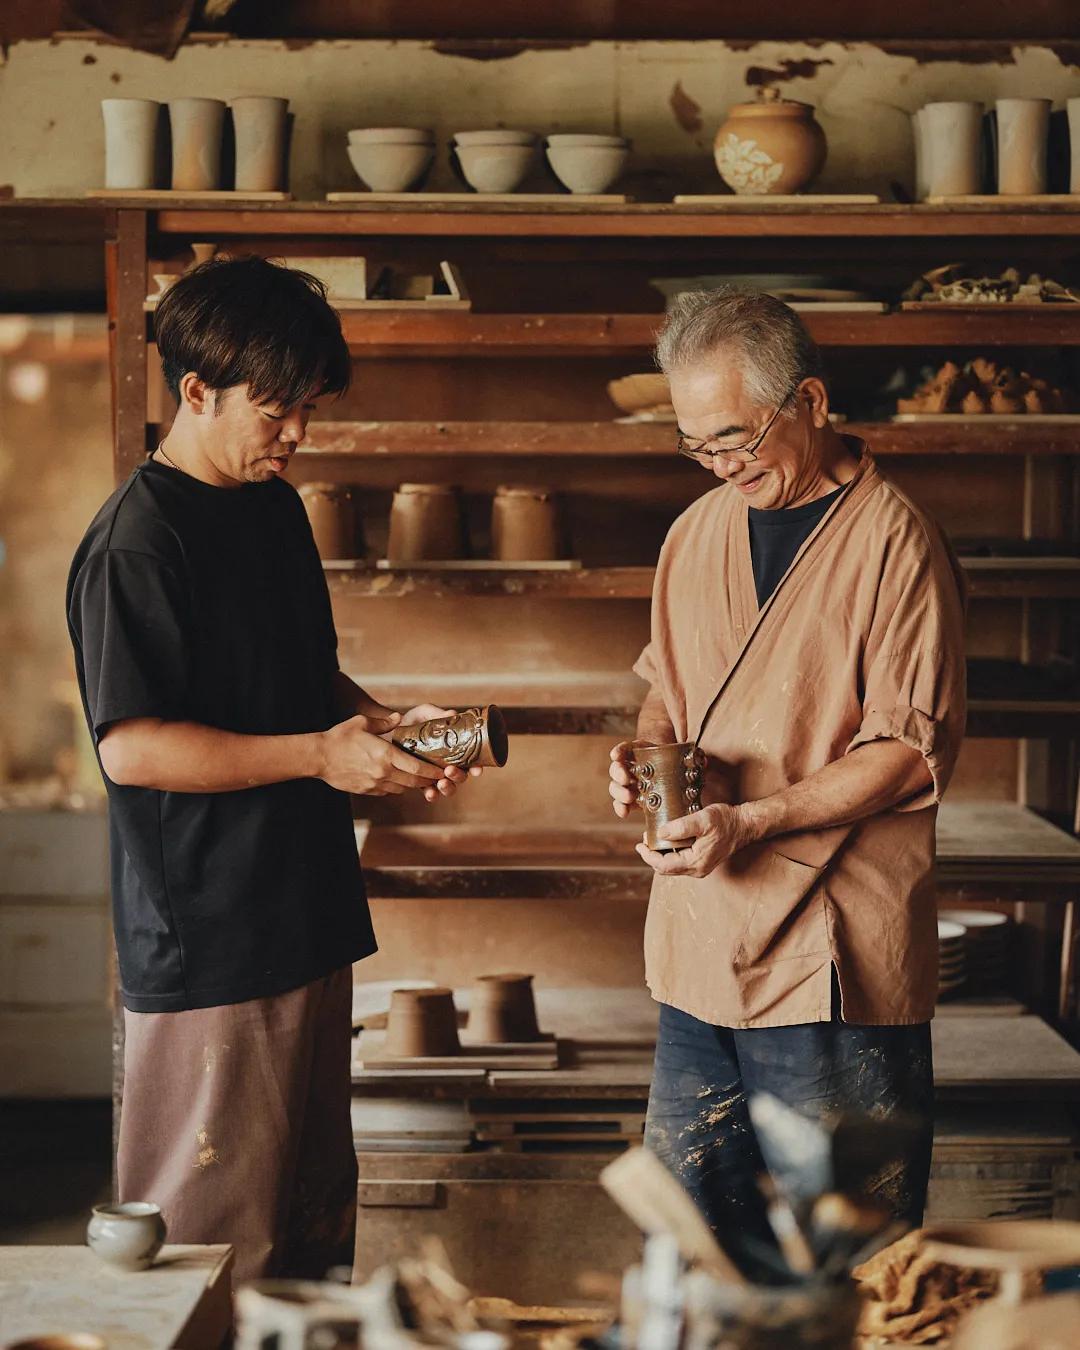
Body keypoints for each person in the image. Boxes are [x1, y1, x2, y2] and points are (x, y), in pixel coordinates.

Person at [66, 256, 478, 1282]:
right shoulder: (137, 545)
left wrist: (381, 723)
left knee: (310, 1237)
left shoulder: (273, 508)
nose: (299, 432)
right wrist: (321, 757)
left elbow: (300, 673)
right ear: (195, 390)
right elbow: (133, 744)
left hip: (303, 913)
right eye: (279, 407)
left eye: (309, 407)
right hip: (209, 940)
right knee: (211, 1249)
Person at [608, 289, 966, 1274]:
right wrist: (650, 764)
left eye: (735, 438)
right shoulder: (694, 534)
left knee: (843, 1272)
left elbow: (907, 751)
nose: (723, 466)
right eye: (697, 447)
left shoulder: (896, 542)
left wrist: (754, 819)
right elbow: (662, 693)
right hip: (699, 952)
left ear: (808, 399)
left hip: (829, 960)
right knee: (694, 1262)